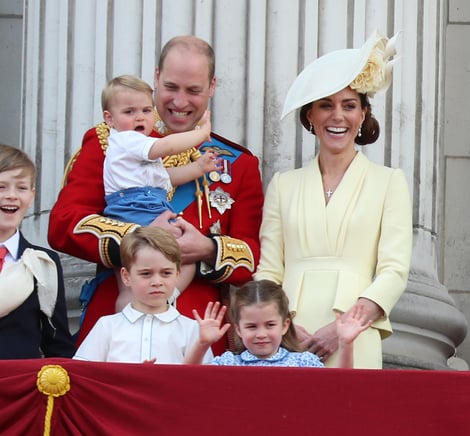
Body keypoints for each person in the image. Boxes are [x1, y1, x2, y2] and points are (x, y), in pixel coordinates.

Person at [49, 36, 264, 354]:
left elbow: (250, 257)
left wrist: (206, 249)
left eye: (193, 90)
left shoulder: (239, 164)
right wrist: (140, 238)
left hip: (195, 332)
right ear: (156, 78)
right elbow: (64, 225)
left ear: (212, 87)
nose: (180, 102)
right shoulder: (111, 142)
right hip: (119, 324)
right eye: (171, 87)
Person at [255, 31, 411, 369]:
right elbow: (268, 270)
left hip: (356, 332)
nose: (337, 115)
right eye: (326, 105)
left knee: (353, 419)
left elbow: (393, 271)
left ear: (363, 115)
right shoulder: (283, 185)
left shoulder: (389, 183)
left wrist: (343, 327)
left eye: (349, 105)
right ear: (310, 116)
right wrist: (280, 326)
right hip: (288, 336)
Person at [99, 74, 220, 311]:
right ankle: (160, 303)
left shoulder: (136, 149)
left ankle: (157, 303)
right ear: (109, 119)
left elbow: (165, 179)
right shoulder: (128, 140)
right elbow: (165, 147)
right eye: (129, 112)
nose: (139, 117)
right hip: (136, 210)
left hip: (145, 202)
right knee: (183, 259)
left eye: (146, 110)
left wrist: (198, 168)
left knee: (132, 282)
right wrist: (202, 134)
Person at [74, 227, 212, 364]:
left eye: (166, 273)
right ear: (126, 276)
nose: (157, 282)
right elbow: (83, 373)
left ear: (177, 274)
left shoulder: (191, 329)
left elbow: (202, 381)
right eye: (146, 274)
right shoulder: (107, 326)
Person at [185, 280, 372, 367]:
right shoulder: (229, 363)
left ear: (284, 325)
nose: (261, 334)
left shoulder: (303, 362)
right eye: (251, 326)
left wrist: (346, 345)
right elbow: (188, 380)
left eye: (269, 325)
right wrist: (202, 344)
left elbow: (339, 389)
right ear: (238, 329)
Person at [0, 144, 75, 359]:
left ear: (32, 195)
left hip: (21, 386)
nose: (12, 196)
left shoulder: (44, 262)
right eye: (1, 187)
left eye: (21, 188)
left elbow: (57, 342)